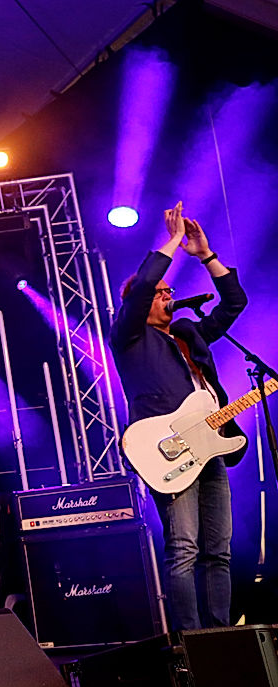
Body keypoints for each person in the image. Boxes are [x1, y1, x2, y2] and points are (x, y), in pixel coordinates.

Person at [109, 201, 247, 631]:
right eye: (161, 292)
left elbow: (233, 302)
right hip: (166, 451)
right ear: (139, 302)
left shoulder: (188, 333)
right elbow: (147, 278)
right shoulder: (128, 335)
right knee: (184, 547)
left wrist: (205, 255)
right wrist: (170, 241)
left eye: (170, 291)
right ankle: (190, 638)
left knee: (218, 549)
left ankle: (221, 633)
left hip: (210, 446)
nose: (169, 295)